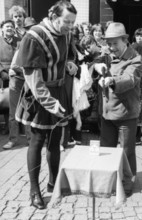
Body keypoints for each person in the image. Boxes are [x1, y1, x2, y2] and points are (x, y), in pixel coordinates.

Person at [15, 0, 77, 209]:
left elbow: (67, 55)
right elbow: (33, 79)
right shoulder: (34, 37)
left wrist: (69, 64)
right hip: (39, 95)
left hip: (59, 90)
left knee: (56, 139)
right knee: (37, 140)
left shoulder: (66, 33)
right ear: (53, 17)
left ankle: (53, 182)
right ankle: (34, 191)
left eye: (72, 23)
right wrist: (50, 103)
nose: (70, 27)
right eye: (66, 22)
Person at [96, 22, 142, 186]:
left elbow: (130, 79)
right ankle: (107, 180)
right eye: (109, 43)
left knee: (126, 152)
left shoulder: (135, 59)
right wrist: (96, 66)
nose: (111, 47)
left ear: (125, 40)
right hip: (107, 113)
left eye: (115, 43)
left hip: (126, 113)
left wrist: (112, 80)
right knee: (106, 149)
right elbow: (91, 62)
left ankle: (127, 182)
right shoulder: (106, 55)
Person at [2, 17, 36, 150]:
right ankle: (13, 139)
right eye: (7, 27)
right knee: (13, 111)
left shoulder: (25, 41)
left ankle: (30, 139)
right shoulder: (19, 42)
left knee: (28, 109)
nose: (30, 31)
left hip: (26, 79)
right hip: (14, 80)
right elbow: (13, 65)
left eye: (32, 28)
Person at [0, 20, 20, 136]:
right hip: (2, 76)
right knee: (4, 101)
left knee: (15, 103)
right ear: (2, 29)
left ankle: (15, 127)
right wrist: (2, 73)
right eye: (7, 26)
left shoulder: (19, 41)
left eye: (11, 27)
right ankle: (7, 126)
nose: (9, 28)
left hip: (17, 75)